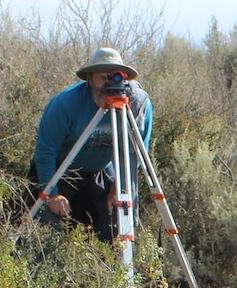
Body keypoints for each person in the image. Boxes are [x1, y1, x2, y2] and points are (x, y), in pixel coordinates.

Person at [29, 45, 154, 242]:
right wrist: (51, 195)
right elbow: (45, 151)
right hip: (61, 169)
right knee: (47, 222)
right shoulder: (65, 104)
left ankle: (112, 268)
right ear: (90, 80)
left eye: (114, 77)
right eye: (102, 78)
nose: (108, 85)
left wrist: (119, 187)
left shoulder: (138, 106)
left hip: (101, 170)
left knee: (114, 222)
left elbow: (137, 154)